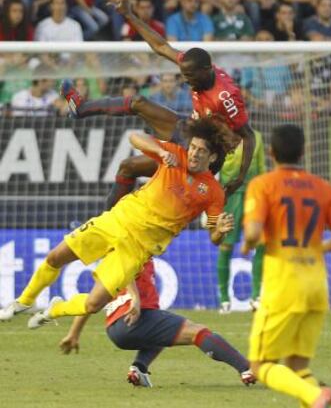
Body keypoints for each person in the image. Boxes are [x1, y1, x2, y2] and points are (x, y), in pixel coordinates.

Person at [0, 118, 235, 330]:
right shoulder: (173, 154)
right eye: (192, 147)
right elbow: (135, 138)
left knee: (93, 304)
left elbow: (214, 236)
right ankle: (24, 301)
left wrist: (220, 231)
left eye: (201, 151)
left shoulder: (213, 193)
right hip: (116, 221)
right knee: (55, 257)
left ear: (212, 157)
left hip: (137, 249)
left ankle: (55, 309)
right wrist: (160, 152)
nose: (193, 153)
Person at [61, 0, 255, 204]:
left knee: (135, 171)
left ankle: (110, 221)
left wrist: (239, 177)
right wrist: (129, 14)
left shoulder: (225, 97)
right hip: (189, 130)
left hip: (204, 152)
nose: (186, 80)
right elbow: (160, 46)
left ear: (206, 70)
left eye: (190, 76)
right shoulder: (195, 66)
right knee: (137, 107)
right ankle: (81, 108)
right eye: (184, 74)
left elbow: (248, 135)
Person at [241, 124, 331, 407]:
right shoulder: (322, 187)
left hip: (284, 284)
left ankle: (316, 395)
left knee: (260, 366)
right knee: (298, 368)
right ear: (303, 152)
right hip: (316, 285)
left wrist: (247, 244)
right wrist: (317, 249)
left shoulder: (263, 184)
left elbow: (253, 233)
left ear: (271, 152)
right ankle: (316, 395)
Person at [59, 259, 256, 387]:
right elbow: (126, 267)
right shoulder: (138, 248)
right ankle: (247, 368)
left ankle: (139, 368)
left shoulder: (113, 262)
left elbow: (90, 300)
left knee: (161, 331)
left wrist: (73, 334)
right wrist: (135, 298)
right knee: (198, 332)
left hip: (115, 329)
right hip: (134, 318)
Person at [217, 130, 265, 313]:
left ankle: (256, 296)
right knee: (226, 245)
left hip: (253, 195)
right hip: (230, 195)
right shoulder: (223, 135)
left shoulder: (256, 136)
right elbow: (216, 167)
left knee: (261, 242)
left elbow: (261, 168)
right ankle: (224, 300)